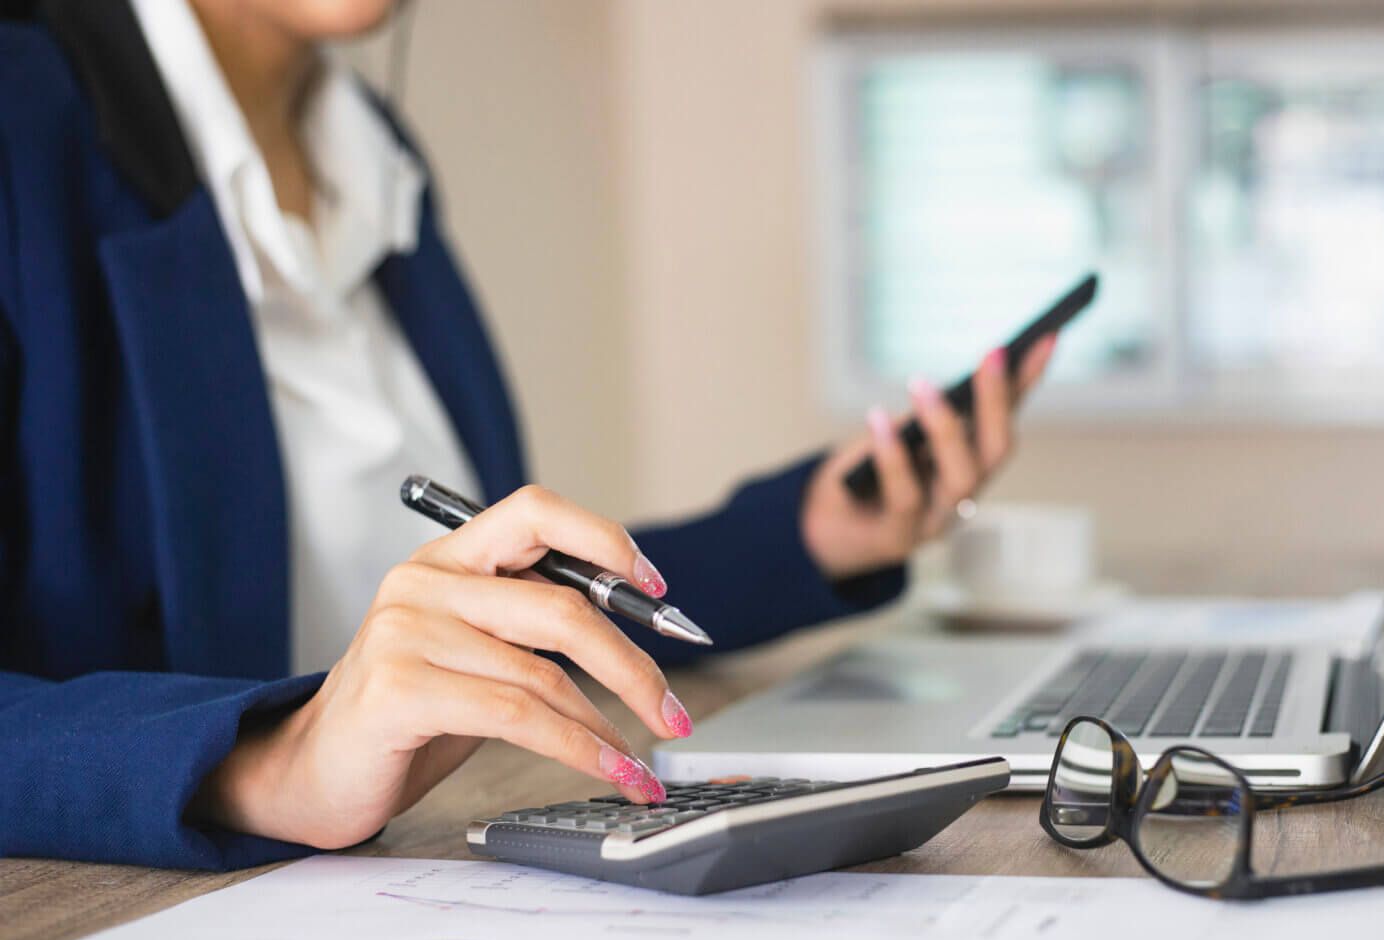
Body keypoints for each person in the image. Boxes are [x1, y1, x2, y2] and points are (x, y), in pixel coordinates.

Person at [0, 0, 1057, 869]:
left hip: (437, 871)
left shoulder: (374, 156)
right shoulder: (21, 119)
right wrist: (268, 762)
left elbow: (521, 598)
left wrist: (816, 532)